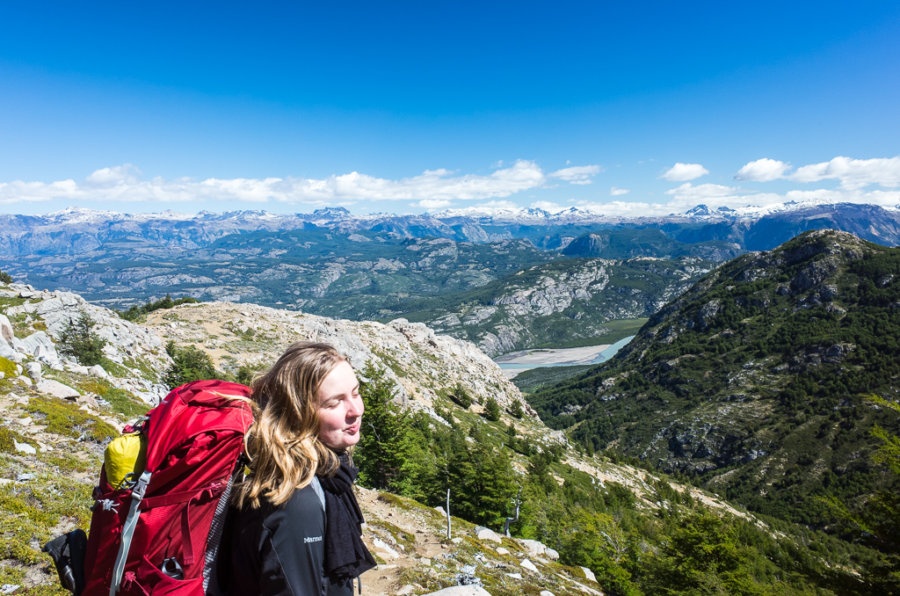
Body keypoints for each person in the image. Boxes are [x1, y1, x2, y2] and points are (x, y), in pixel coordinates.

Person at [221, 341, 376, 595]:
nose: (357, 410)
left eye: (356, 393)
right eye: (334, 403)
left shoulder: (326, 475)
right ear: (298, 413)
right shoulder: (294, 503)